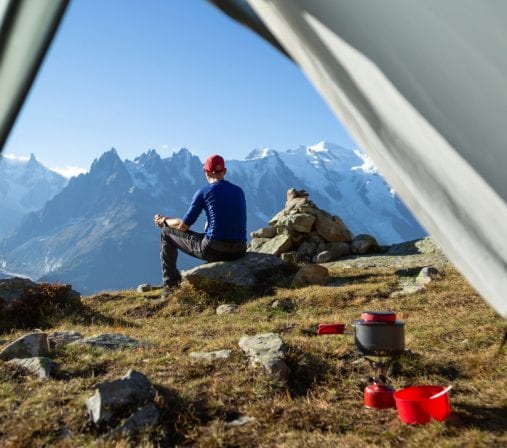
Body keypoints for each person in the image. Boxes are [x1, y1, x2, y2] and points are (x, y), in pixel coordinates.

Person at [154, 154, 247, 298]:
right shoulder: (239, 191)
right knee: (208, 229)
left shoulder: (204, 192)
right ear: (225, 171)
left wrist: (164, 220)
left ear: (207, 172)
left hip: (214, 249)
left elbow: (183, 226)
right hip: (240, 249)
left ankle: (170, 287)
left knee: (166, 233)